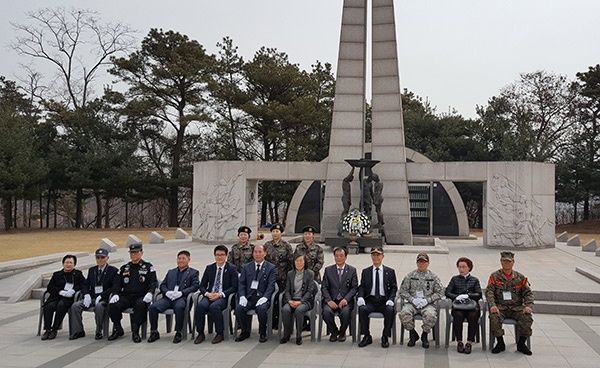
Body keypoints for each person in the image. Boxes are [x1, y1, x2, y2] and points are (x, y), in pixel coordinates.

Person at [108, 242, 158, 343]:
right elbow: (117, 283)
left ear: (141, 253)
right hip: (127, 296)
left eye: (136, 253)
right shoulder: (125, 268)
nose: (133, 255)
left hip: (141, 296)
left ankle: (135, 331)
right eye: (131, 253)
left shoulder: (148, 267)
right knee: (112, 305)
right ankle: (118, 328)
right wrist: (115, 293)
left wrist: (150, 293)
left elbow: (153, 282)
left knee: (140, 305)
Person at [486, 251, 534, 355]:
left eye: (509, 261)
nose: (506, 263)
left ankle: (521, 344)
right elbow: (489, 292)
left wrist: (528, 306)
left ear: (513, 262)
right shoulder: (494, 276)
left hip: (516, 308)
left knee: (527, 317)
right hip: (500, 307)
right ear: (501, 262)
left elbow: (528, 293)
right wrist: (492, 305)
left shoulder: (520, 277)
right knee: (494, 317)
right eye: (504, 261)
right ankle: (500, 343)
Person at [148, 250, 199, 344]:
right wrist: (167, 292)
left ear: (188, 260)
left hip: (181, 298)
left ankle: (178, 332)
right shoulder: (171, 272)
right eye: (179, 258)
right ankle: (154, 331)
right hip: (168, 298)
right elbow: (163, 284)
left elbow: (195, 286)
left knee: (179, 307)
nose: (181, 261)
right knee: (153, 307)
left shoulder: (193, 272)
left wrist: (182, 293)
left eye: (183, 258)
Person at [68, 248, 118, 340]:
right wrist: (86, 294)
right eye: (98, 257)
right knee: (75, 306)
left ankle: (99, 330)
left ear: (107, 258)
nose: (100, 259)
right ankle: (78, 331)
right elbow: (85, 284)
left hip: (104, 298)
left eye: (102, 257)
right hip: (92, 297)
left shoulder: (113, 270)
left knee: (99, 307)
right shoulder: (92, 270)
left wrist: (101, 296)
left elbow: (113, 287)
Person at [194, 245, 239, 344]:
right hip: (210, 294)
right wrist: (207, 293)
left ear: (226, 256)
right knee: (200, 306)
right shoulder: (210, 268)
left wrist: (220, 294)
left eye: (222, 255)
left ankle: (220, 333)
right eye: (217, 255)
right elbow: (202, 285)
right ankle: (200, 333)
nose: (219, 257)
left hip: (223, 296)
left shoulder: (231, 268)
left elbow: (234, 287)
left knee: (214, 307)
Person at [398, 252, 444, 348]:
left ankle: (424, 335)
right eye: (419, 262)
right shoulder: (410, 275)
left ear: (428, 263)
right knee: (404, 313)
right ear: (416, 263)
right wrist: (412, 299)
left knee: (430, 315)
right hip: (413, 303)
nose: (421, 264)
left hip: (428, 304)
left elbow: (440, 292)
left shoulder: (433, 277)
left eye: (424, 262)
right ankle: (413, 334)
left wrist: (428, 300)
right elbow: (402, 291)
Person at [357, 246, 397, 348]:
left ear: (383, 256)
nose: (376, 257)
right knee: (362, 309)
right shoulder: (366, 271)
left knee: (390, 310)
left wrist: (391, 299)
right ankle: (366, 336)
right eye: (374, 255)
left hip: (384, 300)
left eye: (378, 255)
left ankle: (385, 336)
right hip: (371, 300)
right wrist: (360, 297)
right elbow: (362, 286)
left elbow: (394, 288)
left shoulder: (390, 271)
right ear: (371, 256)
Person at [234, 244, 276, 343]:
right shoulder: (246, 267)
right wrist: (242, 296)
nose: (257, 254)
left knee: (261, 310)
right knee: (239, 309)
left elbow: (271, 285)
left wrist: (265, 297)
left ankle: (262, 333)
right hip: (249, 297)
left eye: (260, 252)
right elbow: (242, 283)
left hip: (262, 297)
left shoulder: (271, 268)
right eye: (255, 252)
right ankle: (245, 331)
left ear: (265, 253)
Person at [41, 254, 86, 340]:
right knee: (48, 307)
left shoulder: (78, 274)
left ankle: (55, 329)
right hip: (56, 296)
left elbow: (83, 284)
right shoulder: (57, 274)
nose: (68, 264)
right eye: (66, 262)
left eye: (70, 263)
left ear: (74, 264)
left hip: (69, 298)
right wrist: (60, 291)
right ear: (63, 263)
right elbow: (50, 287)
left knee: (61, 306)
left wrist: (73, 290)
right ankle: (47, 329)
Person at [445, 257, 482, 354]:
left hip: (471, 306)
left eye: (464, 267)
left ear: (469, 268)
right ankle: (460, 341)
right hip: (458, 306)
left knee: (473, 317)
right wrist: (457, 297)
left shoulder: (475, 280)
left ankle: (469, 342)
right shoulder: (454, 279)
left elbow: (479, 294)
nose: (461, 269)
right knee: (458, 316)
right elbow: (447, 292)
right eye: (459, 267)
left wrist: (468, 296)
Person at [321, 246, 358, 342]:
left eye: (341, 256)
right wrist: (329, 300)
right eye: (336, 256)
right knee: (326, 312)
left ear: (346, 257)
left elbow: (354, 288)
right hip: (332, 300)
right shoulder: (328, 270)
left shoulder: (352, 270)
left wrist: (346, 299)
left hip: (345, 300)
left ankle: (342, 332)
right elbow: (324, 287)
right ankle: (334, 332)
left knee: (346, 313)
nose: (339, 258)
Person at [280, 254, 316, 345]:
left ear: (305, 262)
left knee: (299, 310)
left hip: (305, 301)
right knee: (285, 310)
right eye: (296, 261)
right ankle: (286, 334)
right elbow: (287, 290)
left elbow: (310, 291)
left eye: (301, 261)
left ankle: (299, 336)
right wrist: (289, 301)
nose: (299, 263)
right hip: (292, 299)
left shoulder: (310, 274)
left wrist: (301, 301)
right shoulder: (290, 274)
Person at [264, 223, 293, 329]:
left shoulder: (286, 246)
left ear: (281, 233)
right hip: (269, 279)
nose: (275, 233)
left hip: (282, 279)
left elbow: (291, 263)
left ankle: (282, 322)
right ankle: (271, 322)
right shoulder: (266, 246)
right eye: (273, 231)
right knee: (270, 300)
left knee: (281, 301)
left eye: (277, 231)